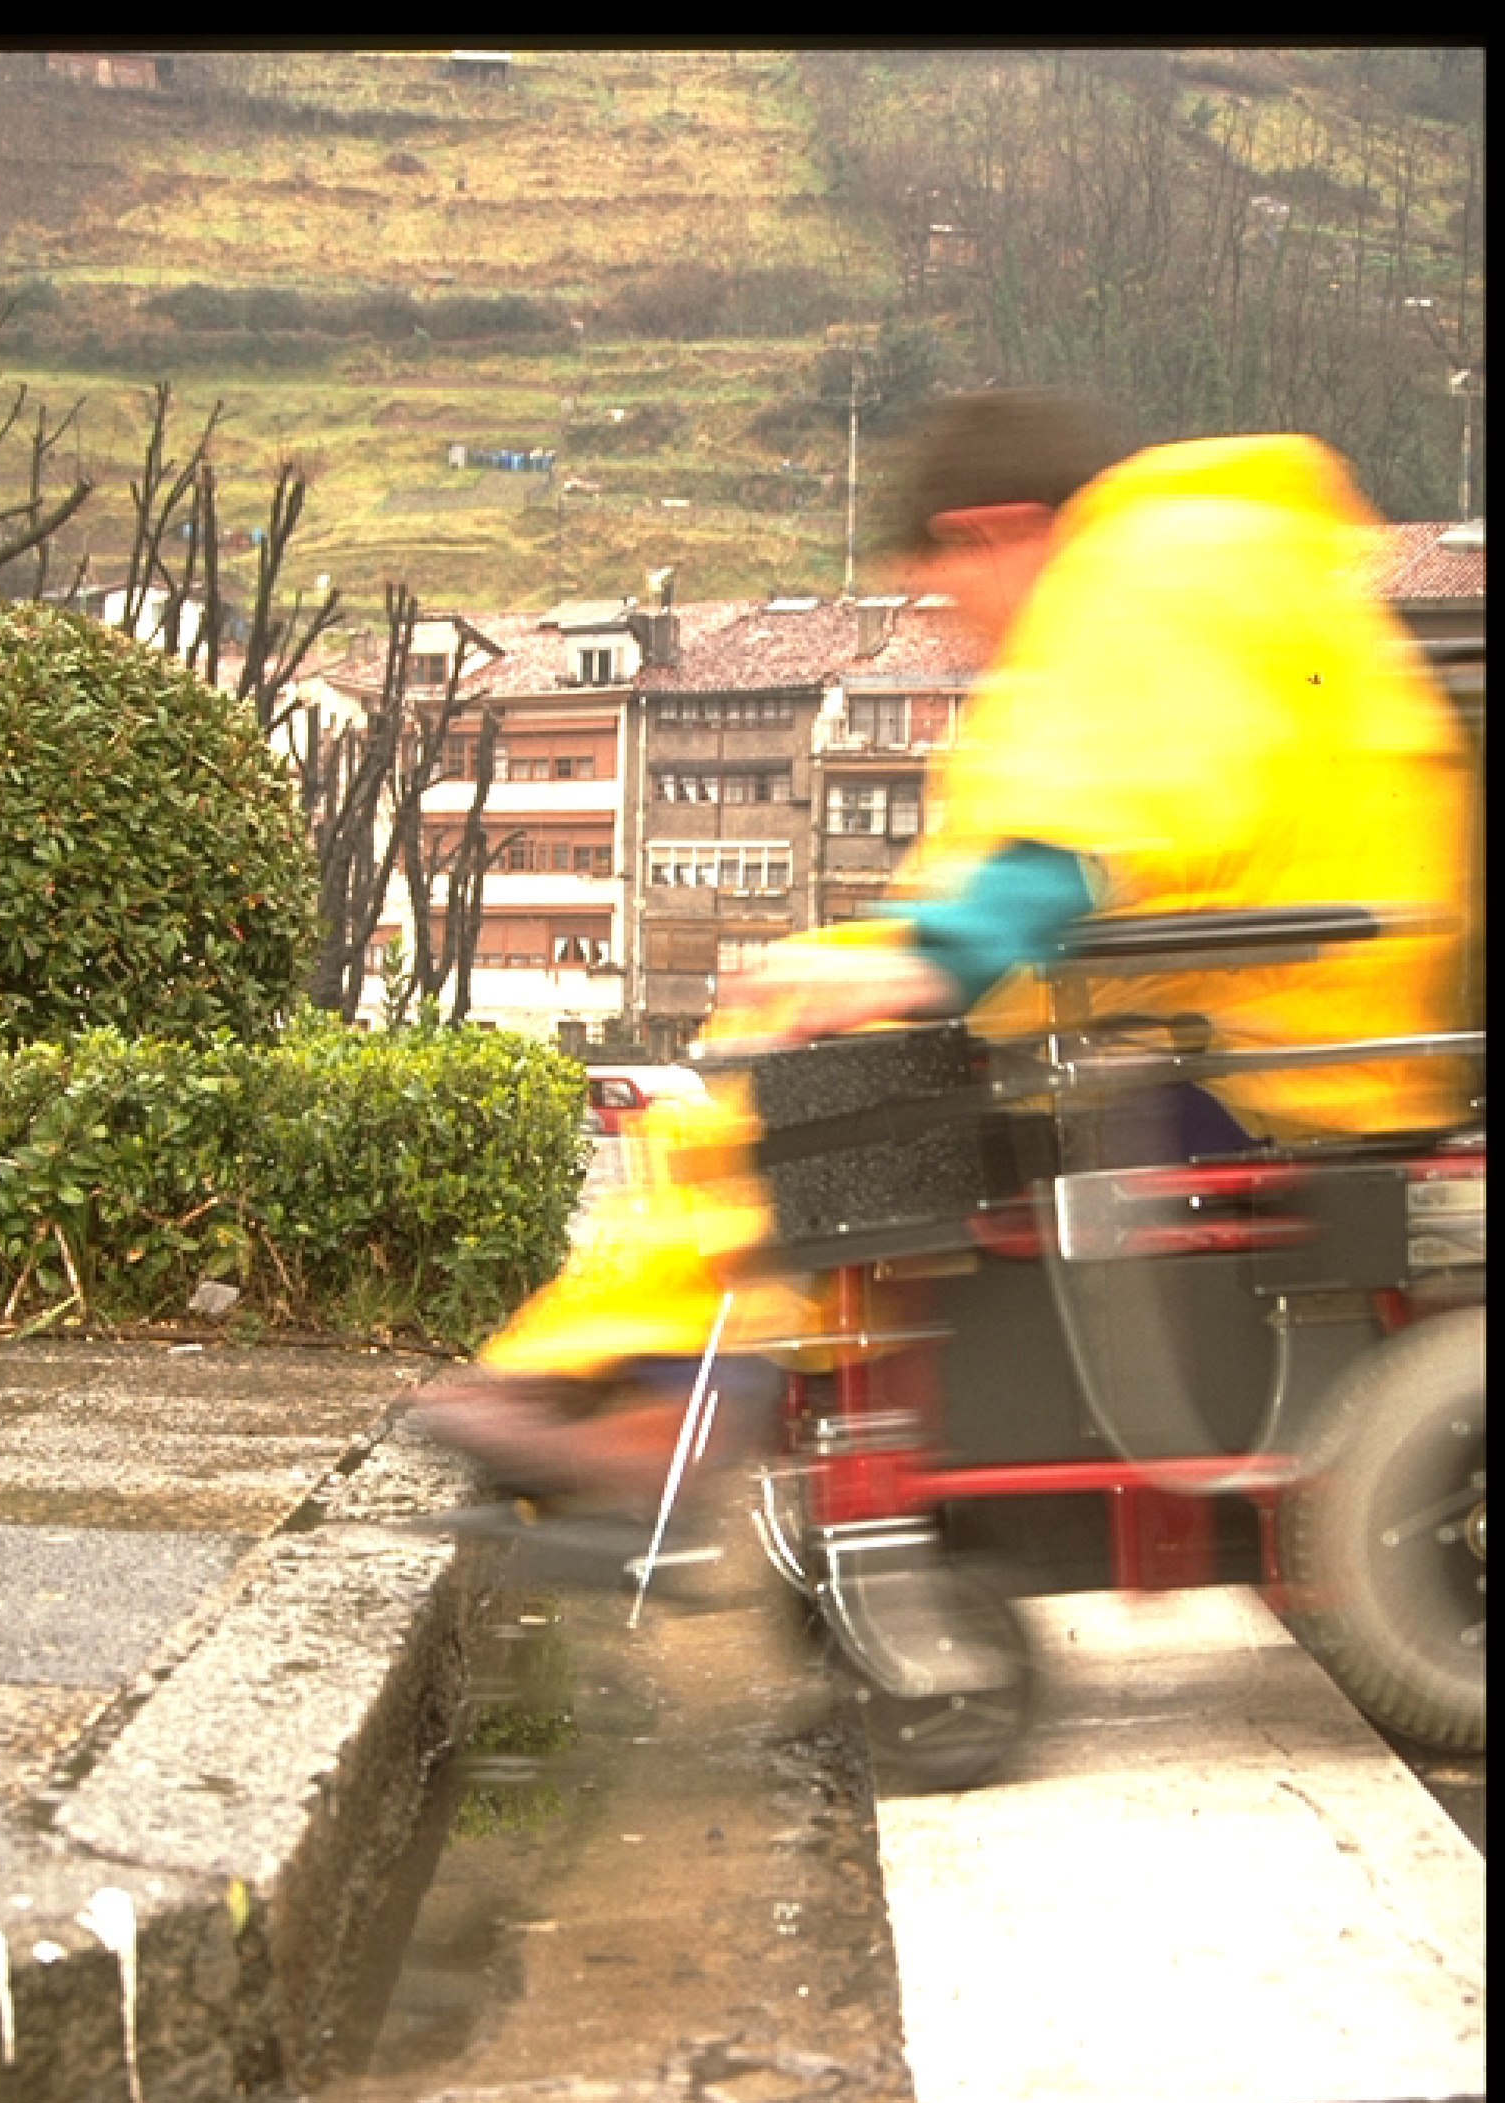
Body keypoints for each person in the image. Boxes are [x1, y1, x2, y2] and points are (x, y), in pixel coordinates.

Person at [408, 390, 1476, 1511]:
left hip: (1270, 1070)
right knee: (820, 1048)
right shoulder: (1195, 567)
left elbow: (1127, 799)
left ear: (992, 530)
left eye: (943, 592)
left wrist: (931, 957)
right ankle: (634, 1382)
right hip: (1261, 1036)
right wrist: (886, 955)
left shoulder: (1151, 571)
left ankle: (663, 1397)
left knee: (829, 1084)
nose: (954, 629)